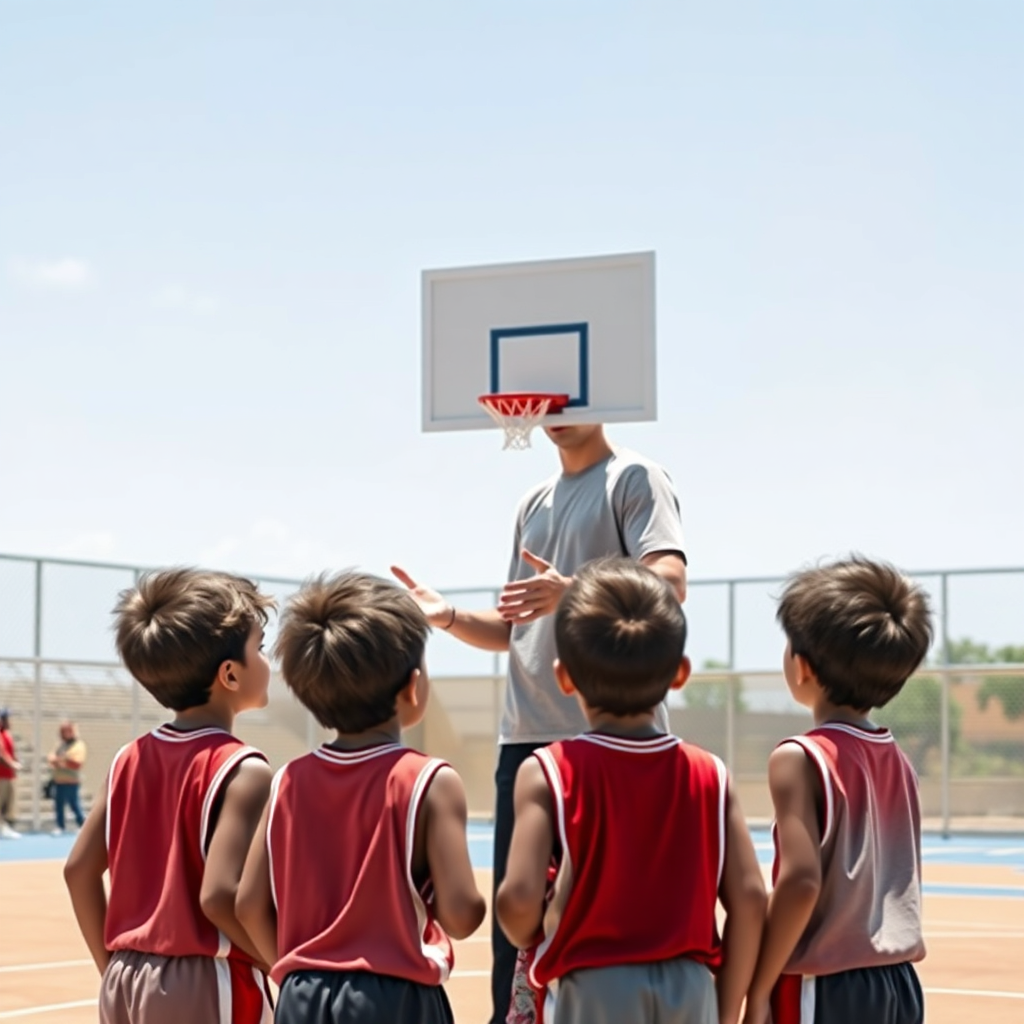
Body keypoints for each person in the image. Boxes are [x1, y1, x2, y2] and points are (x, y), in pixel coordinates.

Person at [392, 422, 687, 1023]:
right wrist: (447, 616)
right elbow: (516, 626)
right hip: (525, 743)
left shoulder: (634, 477)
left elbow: (670, 583)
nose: (548, 407)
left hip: (611, 735)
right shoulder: (533, 500)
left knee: (611, 915)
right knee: (517, 939)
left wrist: (573, 589)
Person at [495, 558, 766, 1024]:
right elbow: (751, 898)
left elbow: (518, 902)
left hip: (592, 989)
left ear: (564, 677)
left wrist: (537, 920)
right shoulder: (712, 774)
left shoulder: (547, 771)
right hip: (691, 987)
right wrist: (724, 1010)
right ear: (680, 674)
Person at [236, 571, 486, 1024]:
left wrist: (298, 969)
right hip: (395, 997)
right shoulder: (429, 780)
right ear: (413, 687)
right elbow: (462, 915)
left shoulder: (287, 780)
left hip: (301, 994)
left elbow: (248, 903)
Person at [63, 569, 276, 1024]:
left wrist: (115, 964)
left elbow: (79, 870)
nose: (267, 661)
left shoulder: (126, 759)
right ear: (230, 675)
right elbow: (219, 898)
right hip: (211, 982)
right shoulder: (244, 770)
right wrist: (280, 964)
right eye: (260, 648)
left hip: (124, 978)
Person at [742, 557, 933, 1024]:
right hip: (900, 983)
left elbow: (801, 882)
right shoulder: (898, 760)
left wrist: (760, 985)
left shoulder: (799, 758)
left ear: (802, 666)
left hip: (822, 985)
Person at [48, 720, 87, 834]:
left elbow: (76, 762)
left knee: (74, 804)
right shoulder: (61, 745)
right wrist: (61, 761)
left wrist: (60, 761)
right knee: (58, 805)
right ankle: (60, 826)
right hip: (59, 781)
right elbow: (51, 757)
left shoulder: (78, 745)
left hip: (71, 781)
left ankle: (82, 824)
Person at [0, 707, 22, 839]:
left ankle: (5, 827)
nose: (9, 721)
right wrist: (13, 764)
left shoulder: (7, 734)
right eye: (6, 718)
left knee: (9, 804)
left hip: (9, 775)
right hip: (1, 775)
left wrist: (15, 762)